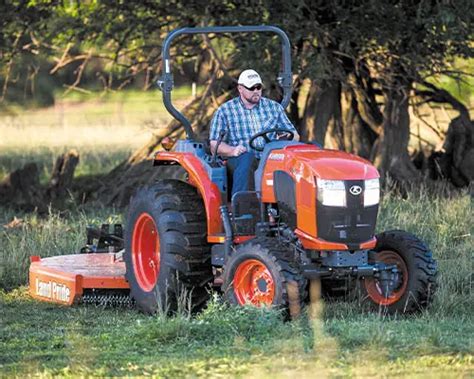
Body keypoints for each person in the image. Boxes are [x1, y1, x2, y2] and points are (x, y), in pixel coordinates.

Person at [209, 69, 299, 197]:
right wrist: (232, 150)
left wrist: (285, 138)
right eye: (252, 88)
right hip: (239, 160)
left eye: (259, 87)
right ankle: (242, 208)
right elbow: (214, 145)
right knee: (248, 158)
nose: (256, 91)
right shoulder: (225, 111)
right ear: (240, 88)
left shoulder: (274, 108)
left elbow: (294, 135)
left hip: (270, 157)